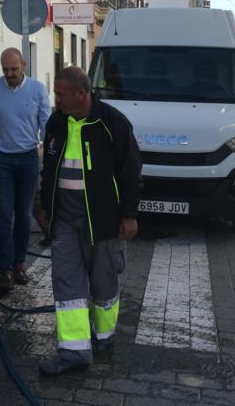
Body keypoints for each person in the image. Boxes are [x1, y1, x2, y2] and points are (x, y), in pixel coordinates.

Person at [38, 67, 141, 376]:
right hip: (66, 220)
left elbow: (130, 171)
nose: (56, 100)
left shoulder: (111, 123)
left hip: (102, 220)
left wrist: (130, 215)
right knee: (66, 281)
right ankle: (73, 352)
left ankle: (104, 336)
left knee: (103, 282)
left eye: (60, 94)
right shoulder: (57, 122)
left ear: (81, 94)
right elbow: (49, 168)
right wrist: (44, 208)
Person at [0, 48, 51, 294]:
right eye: (5, 70)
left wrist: (51, 157)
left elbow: (45, 123)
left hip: (28, 159)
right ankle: (5, 269)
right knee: (3, 215)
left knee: (23, 215)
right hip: (1, 161)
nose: (9, 74)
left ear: (23, 65)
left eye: (13, 69)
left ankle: (19, 264)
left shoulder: (37, 89)